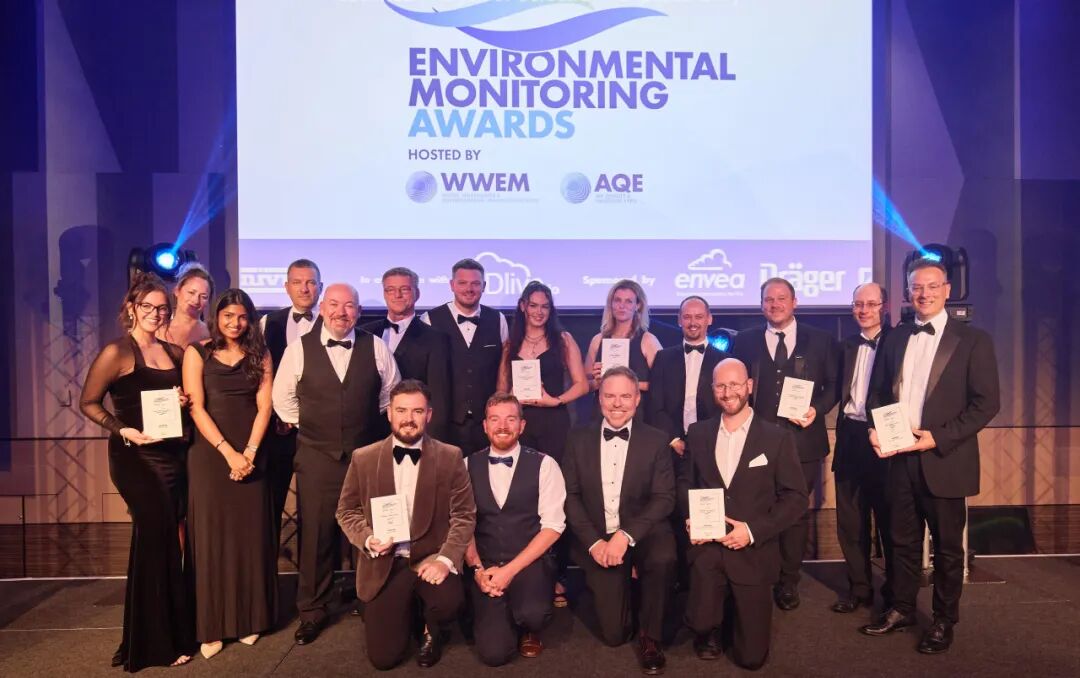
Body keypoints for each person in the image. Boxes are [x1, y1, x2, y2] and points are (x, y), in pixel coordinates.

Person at [860, 260, 1000, 654]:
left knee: (948, 549)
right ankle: (902, 608)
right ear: (908, 292)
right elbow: (877, 394)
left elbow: (986, 403)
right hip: (898, 458)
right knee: (900, 541)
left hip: (944, 459)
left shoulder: (974, 340)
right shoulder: (895, 337)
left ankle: (943, 620)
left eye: (932, 286)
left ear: (947, 290)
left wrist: (937, 438)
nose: (924, 294)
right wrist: (873, 428)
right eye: (917, 287)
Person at [272, 283, 401, 645]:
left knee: (372, 530)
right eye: (334, 304)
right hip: (316, 456)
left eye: (349, 306)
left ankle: (371, 601)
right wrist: (317, 426)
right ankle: (313, 610)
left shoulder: (376, 347)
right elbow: (282, 400)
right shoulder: (299, 349)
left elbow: (391, 394)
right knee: (315, 534)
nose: (341, 312)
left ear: (358, 311)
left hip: (366, 455)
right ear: (322, 307)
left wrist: (362, 424)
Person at [79, 272, 194, 670]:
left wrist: (181, 400)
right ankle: (153, 645)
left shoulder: (174, 352)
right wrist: (122, 429)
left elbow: (182, 402)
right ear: (131, 308)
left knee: (166, 541)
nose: (156, 313)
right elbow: (89, 402)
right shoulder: (116, 352)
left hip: (172, 456)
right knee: (154, 541)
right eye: (148, 306)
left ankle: (159, 635)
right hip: (135, 458)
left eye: (162, 308)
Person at [336, 380, 476, 670]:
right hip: (387, 562)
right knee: (384, 659)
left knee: (448, 602)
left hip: (431, 558)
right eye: (401, 410)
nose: (408, 419)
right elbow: (346, 511)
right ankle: (408, 613)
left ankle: (431, 627)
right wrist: (368, 539)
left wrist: (445, 559)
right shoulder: (364, 458)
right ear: (389, 413)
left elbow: (464, 515)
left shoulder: (450, 456)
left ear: (429, 415)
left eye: (417, 411)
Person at [679, 358, 806, 670]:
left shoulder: (777, 437)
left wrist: (751, 531)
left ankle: (734, 611)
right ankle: (710, 623)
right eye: (720, 386)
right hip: (708, 548)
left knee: (751, 658)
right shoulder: (698, 433)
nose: (728, 392)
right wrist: (690, 516)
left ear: (749, 386)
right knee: (699, 621)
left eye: (735, 384)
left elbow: (796, 498)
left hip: (753, 551)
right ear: (712, 389)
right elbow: (684, 482)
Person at [730, 277, 839, 610]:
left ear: (795, 302)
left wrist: (816, 410)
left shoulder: (820, 340)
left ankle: (789, 581)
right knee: (758, 509)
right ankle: (759, 574)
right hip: (757, 442)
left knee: (794, 513)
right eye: (768, 299)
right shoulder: (745, 341)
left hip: (803, 443)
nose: (774, 304)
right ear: (761, 304)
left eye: (781, 298)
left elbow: (835, 386)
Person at [562, 366, 676, 675]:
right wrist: (595, 543)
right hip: (599, 536)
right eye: (609, 396)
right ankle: (629, 593)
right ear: (599, 398)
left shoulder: (656, 440)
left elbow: (664, 498)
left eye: (625, 396)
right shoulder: (576, 438)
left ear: (637, 399)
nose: (617, 404)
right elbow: (570, 496)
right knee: (614, 635)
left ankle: (651, 636)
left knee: (663, 558)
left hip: (644, 530)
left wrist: (625, 536)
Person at [183, 289, 278, 659]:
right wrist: (229, 453)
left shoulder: (261, 353)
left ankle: (249, 619)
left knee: (250, 537)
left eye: (241, 317)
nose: (235, 323)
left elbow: (265, 406)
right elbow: (196, 408)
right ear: (216, 317)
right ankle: (212, 625)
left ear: (249, 319)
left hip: (253, 451)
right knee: (212, 539)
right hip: (210, 456)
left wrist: (249, 452)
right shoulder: (197, 352)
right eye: (228, 316)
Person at [497, 281, 588, 606]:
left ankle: (557, 574)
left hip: (554, 424)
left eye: (545, 306)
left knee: (554, 499)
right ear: (523, 306)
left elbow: (582, 384)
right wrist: (509, 403)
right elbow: (500, 391)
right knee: (523, 497)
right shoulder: (510, 344)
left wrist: (556, 400)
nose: (539, 312)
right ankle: (524, 570)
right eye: (533, 305)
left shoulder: (563, 340)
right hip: (520, 426)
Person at [464, 393, 566, 665]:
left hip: (529, 562)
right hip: (486, 565)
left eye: (510, 419)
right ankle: (502, 616)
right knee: (494, 654)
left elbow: (553, 528)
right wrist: (478, 571)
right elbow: (462, 526)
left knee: (534, 614)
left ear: (522, 425)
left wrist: (509, 571)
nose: (502, 426)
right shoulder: (466, 465)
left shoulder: (545, 465)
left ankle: (528, 626)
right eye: (495, 419)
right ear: (485, 425)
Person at [647, 295, 728, 585]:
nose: (693, 322)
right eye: (687, 317)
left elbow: (726, 405)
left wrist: (701, 441)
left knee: (709, 508)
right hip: (671, 448)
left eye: (699, 316)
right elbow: (654, 405)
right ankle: (678, 577)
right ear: (679, 320)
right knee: (674, 510)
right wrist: (673, 439)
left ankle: (707, 576)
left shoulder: (724, 361)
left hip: (711, 447)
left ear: (709, 319)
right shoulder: (664, 358)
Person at [831, 282, 893, 613]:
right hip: (850, 437)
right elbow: (834, 391)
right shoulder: (846, 346)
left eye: (870, 304)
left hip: (884, 435)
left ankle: (896, 591)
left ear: (885, 306)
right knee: (850, 520)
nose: (863, 310)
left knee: (889, 518)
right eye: (858, 304)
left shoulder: (898, 342)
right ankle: (860, 588)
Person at [260, 258, 323, 542]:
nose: (304, 288)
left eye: (310, 282)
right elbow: (259, 376)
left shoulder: (333, 322)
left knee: (318, 508)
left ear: (320, 286)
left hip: (319, 431)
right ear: (286, 287)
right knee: (271, 502)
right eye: (297, 282)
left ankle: (317, 567)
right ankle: (268, 566)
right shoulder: (267, 322)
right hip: (278, 431)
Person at [421, 258, 508, 455]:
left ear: (484, 286)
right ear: (452, 285)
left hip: (486, 422)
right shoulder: (430, 319)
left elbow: (503, 368)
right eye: (462, 283)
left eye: (475, 283)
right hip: (443, 422)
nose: (469, 289)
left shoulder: (498, 319)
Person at [362, 266, 451, 441]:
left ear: (417, 294)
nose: (397, 295)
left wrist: (431, 442)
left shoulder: (436, 339)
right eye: (390, 290)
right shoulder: (365, 334)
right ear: (384, 294)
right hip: (368, 432)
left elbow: (438, 397)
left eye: (404, 289)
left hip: (413, 432)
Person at [584, 281, 662, 408]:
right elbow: (584, 384)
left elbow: (662, 383)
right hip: (603, 412)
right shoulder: (598, 340)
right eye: (617, 300)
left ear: (638, 306)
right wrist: (597, 380)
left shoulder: (648, 340)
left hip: (638, 412)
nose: (622, 306)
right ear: (611, 304)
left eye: (628, 301)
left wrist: (628, 384)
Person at [158, 262, 213, 349]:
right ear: (177, 291)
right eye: (191, 293)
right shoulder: (157, 330)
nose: (196, 300)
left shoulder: (210, 334)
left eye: (203, 297)